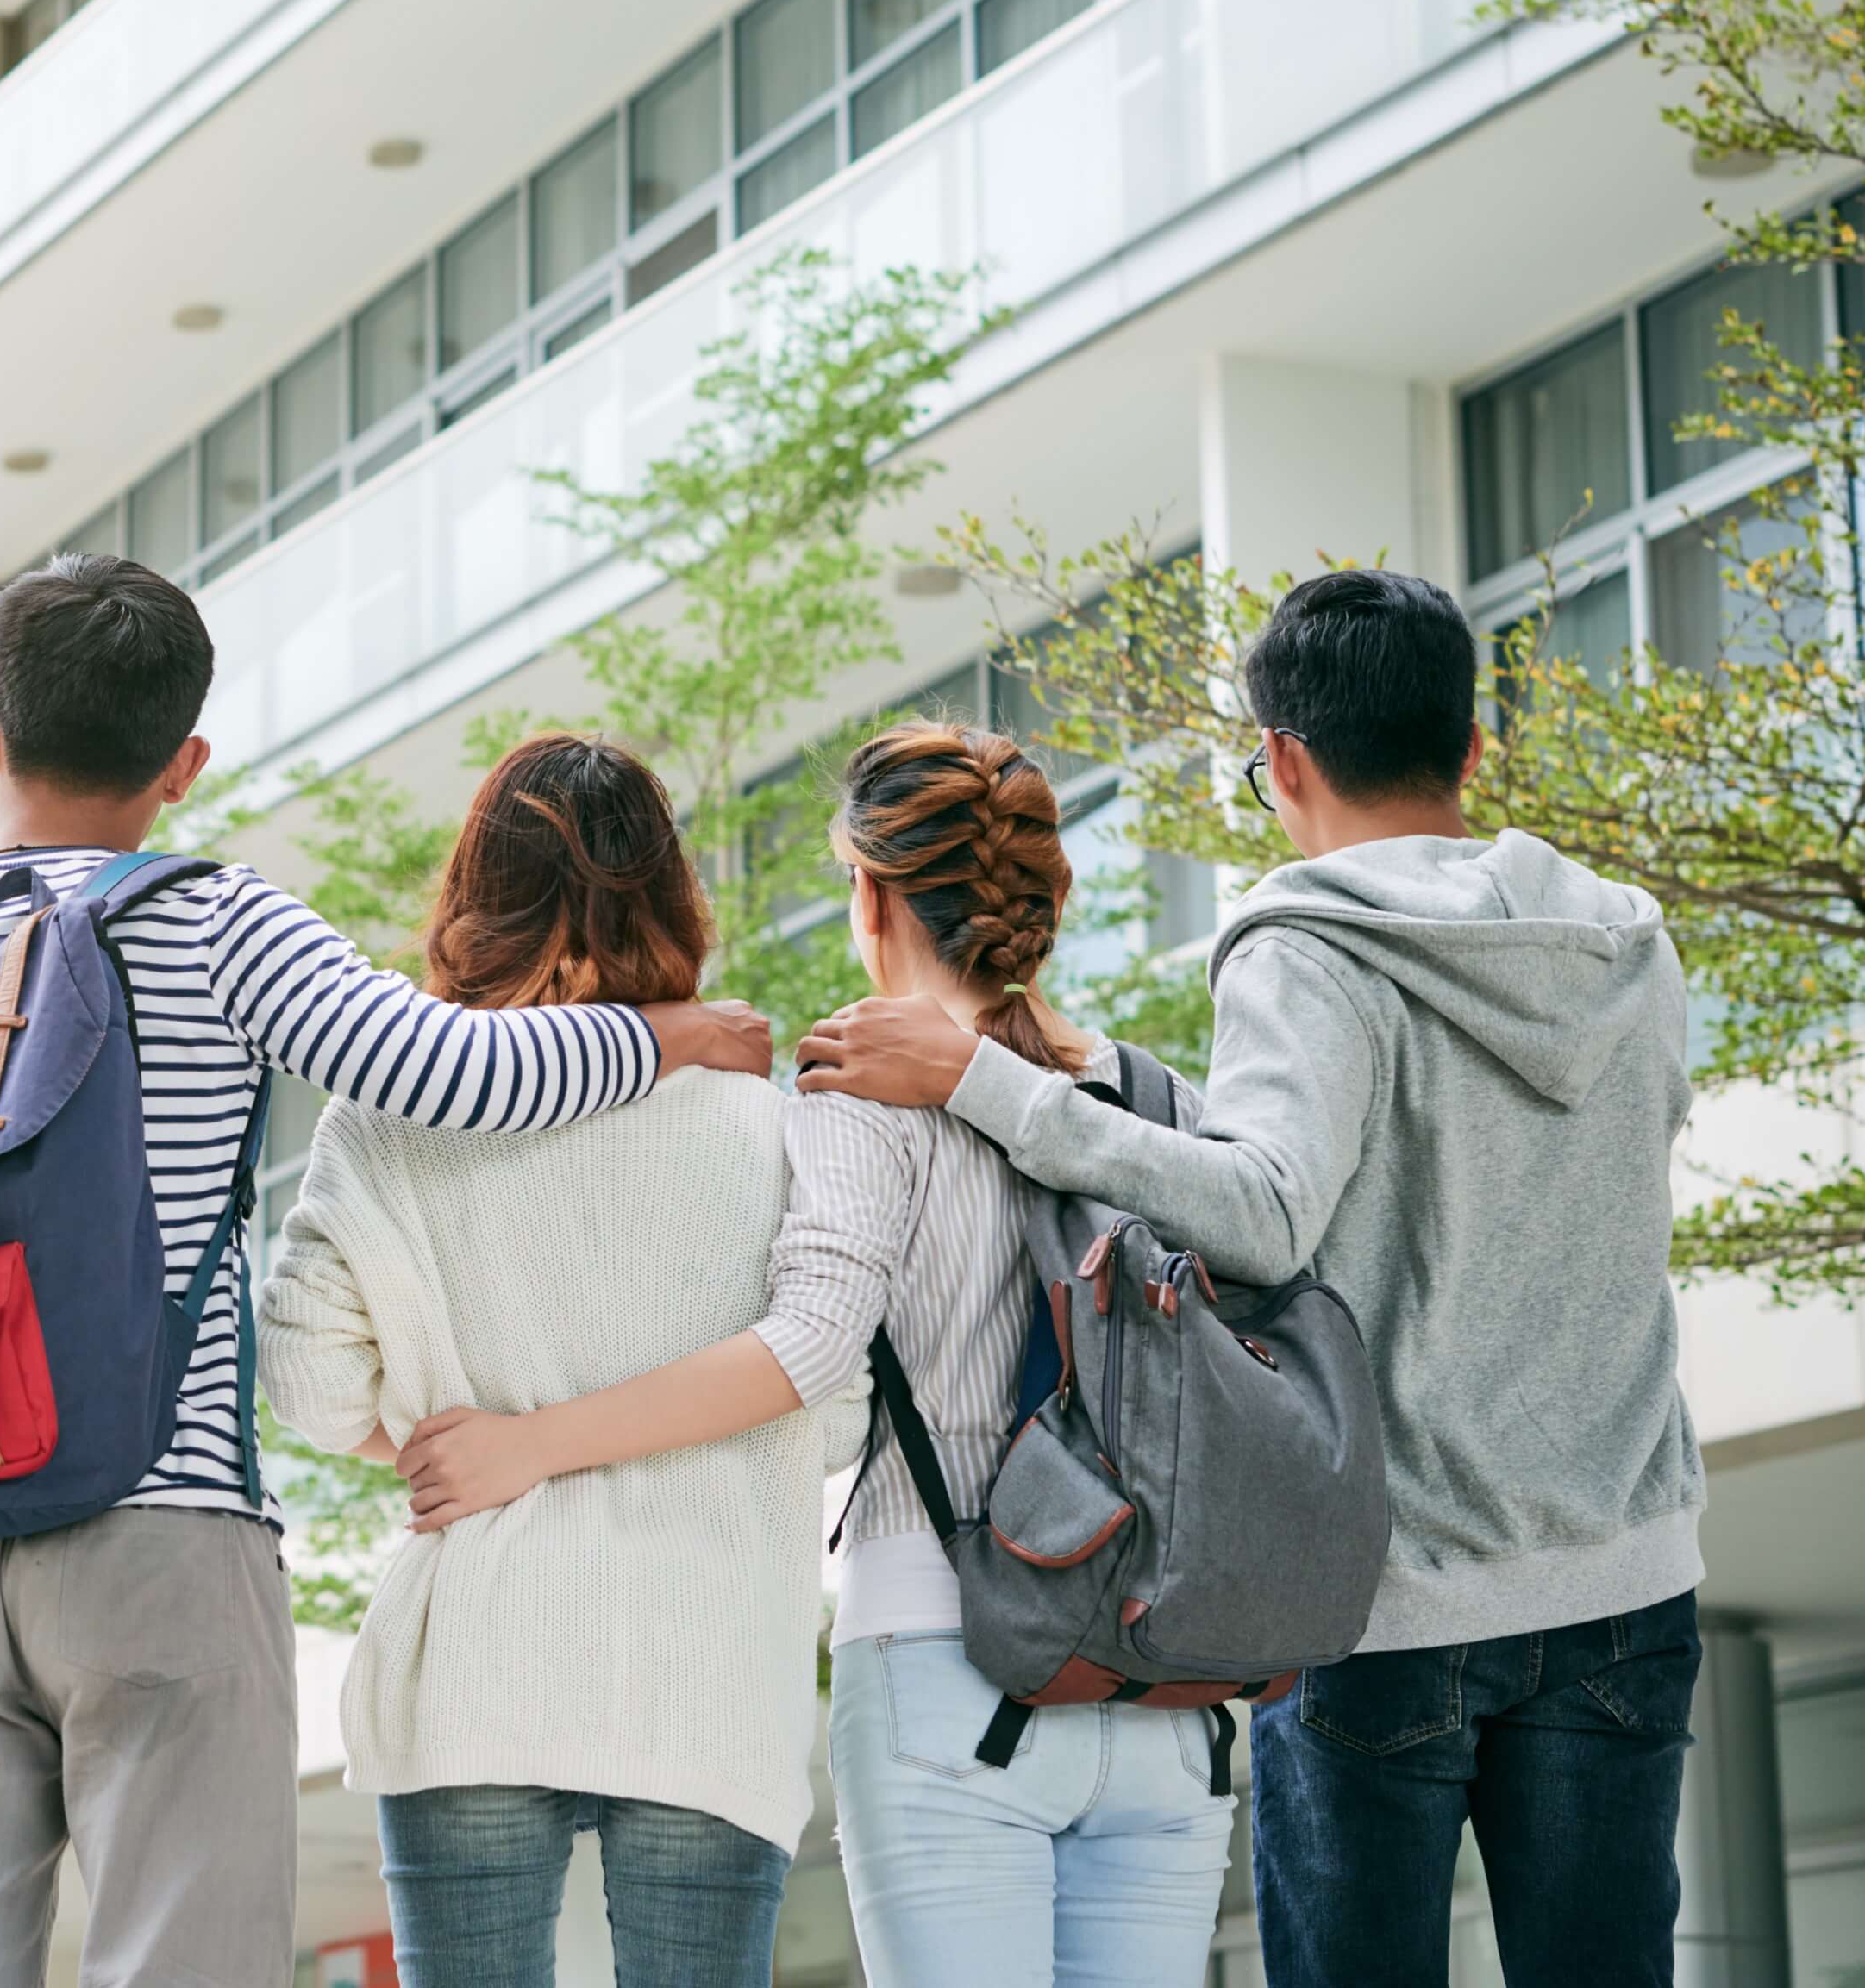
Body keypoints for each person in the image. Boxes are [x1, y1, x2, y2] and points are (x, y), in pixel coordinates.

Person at [0, 553, 772, 1988]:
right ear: (186, 764)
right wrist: (670, 1037)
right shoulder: (212, 921)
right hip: (164, 1536)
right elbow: (450, 1070)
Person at [783, 571, 1705, 1988]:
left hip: (1389, 1598)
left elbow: (1268, 1215)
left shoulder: (1305, 945)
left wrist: (989, 1081)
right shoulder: (1631, 948)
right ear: (1470, 749)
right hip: (1630, 1578)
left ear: (1279, 760)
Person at [393, 721, 1240, 1985]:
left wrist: (529, 1446)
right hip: (1169, 1697)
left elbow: (805, 1350)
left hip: (955, 1677)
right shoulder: (1151, 1098)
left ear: (870, 890)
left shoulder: (860, 1086)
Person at [257, 733, 864, 1988]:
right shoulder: (776, 1126)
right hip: (710, 1665)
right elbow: (843, 1402)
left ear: (479, 896)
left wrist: (456, 1452)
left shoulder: (392, 1117)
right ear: (669, 895)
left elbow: (311, 1381)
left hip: (474, 1657)